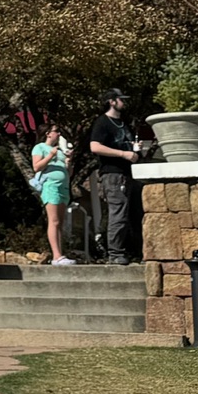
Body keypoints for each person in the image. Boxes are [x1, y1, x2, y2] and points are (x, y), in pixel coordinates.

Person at [86, 89, 138, 264]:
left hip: (128, 173)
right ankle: (115, 254)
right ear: (112, 102)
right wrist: (123, 154)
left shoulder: (123, 123)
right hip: (113, 175)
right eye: (121, 99)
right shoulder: (102, 122)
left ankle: (129, 250)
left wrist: (135, 149)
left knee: (130, 213)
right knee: (118, 213)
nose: (124, 102)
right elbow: (95, 146)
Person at [31, 126, 74, 265]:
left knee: (60, 223)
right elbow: (36, 167)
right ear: (48, 134)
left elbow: (68, 173)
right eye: (56, 131)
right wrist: (50, 155)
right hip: (51, 187)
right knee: (54, 221)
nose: (59, 134)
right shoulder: (40, 148)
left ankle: (60, 254)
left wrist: (68, 163)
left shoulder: (60, 152)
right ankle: (56, 256)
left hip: (63, 188)